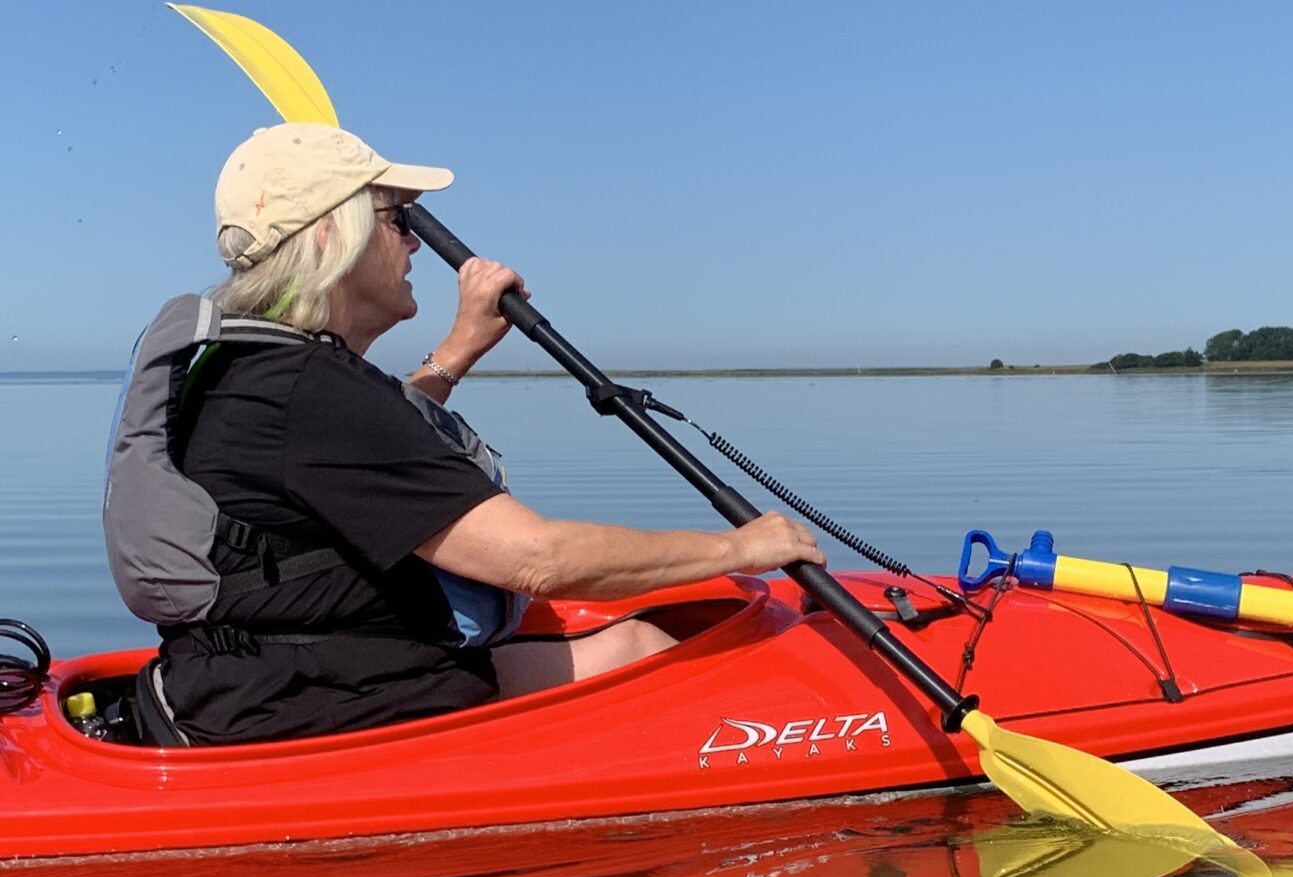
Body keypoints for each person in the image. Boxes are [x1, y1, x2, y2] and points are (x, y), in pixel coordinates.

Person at [131, 122, 821, 745]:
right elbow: (537, 560)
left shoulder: (248, 368)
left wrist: (456, 352)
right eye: (397, 220)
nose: (411, 244)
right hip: (315, 705)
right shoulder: (309, 391)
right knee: (640, 652)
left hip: (260, 681)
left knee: (626, 637)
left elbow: (355, 466)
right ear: (327, 237)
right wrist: (742, 546)